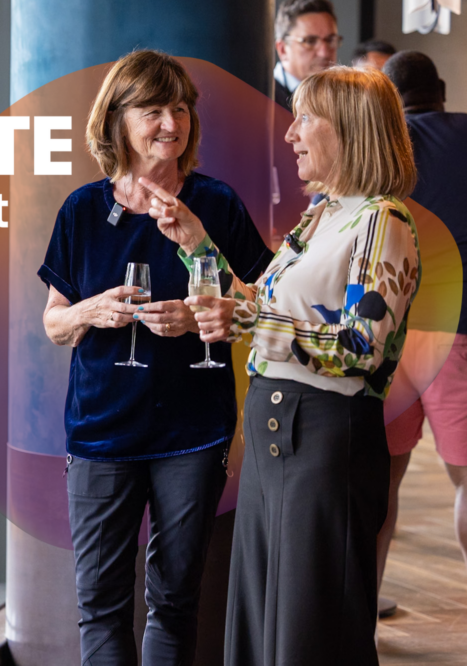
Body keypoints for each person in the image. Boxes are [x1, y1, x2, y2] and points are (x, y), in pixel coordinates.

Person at [144, 66, 419, 665]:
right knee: (262, 629)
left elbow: (360, 348)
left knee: (311, 632)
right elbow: (258, 304)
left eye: (304, 119)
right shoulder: (320, 216)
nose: (290, 134)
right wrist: (194, 240)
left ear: (349, 128)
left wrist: (247, 323)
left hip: (326, 439)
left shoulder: (382, 221)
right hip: (277, 439)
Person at [39, 50, 272, 666]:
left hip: (192, 432)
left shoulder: (216, 203)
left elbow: (264, 301)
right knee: (101, 607)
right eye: (153, 110)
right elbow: (55, 324)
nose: (172, 123)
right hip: (101, 433)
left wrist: (202, 308)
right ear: (117, 119)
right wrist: (90, 311)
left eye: (181, 109)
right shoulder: (82, 210)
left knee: (174, 602)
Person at [377, 50, 467, 598]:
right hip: (456, 326)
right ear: (443, 93)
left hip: (387, 334)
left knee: (381, 482)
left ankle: (361, 624)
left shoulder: (378, 147)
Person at [274, 0, 341, 111]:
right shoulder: (259, 97)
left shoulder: (344, 98)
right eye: (310, 41)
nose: (324, 53)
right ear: (282, 49)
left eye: (330, 40)